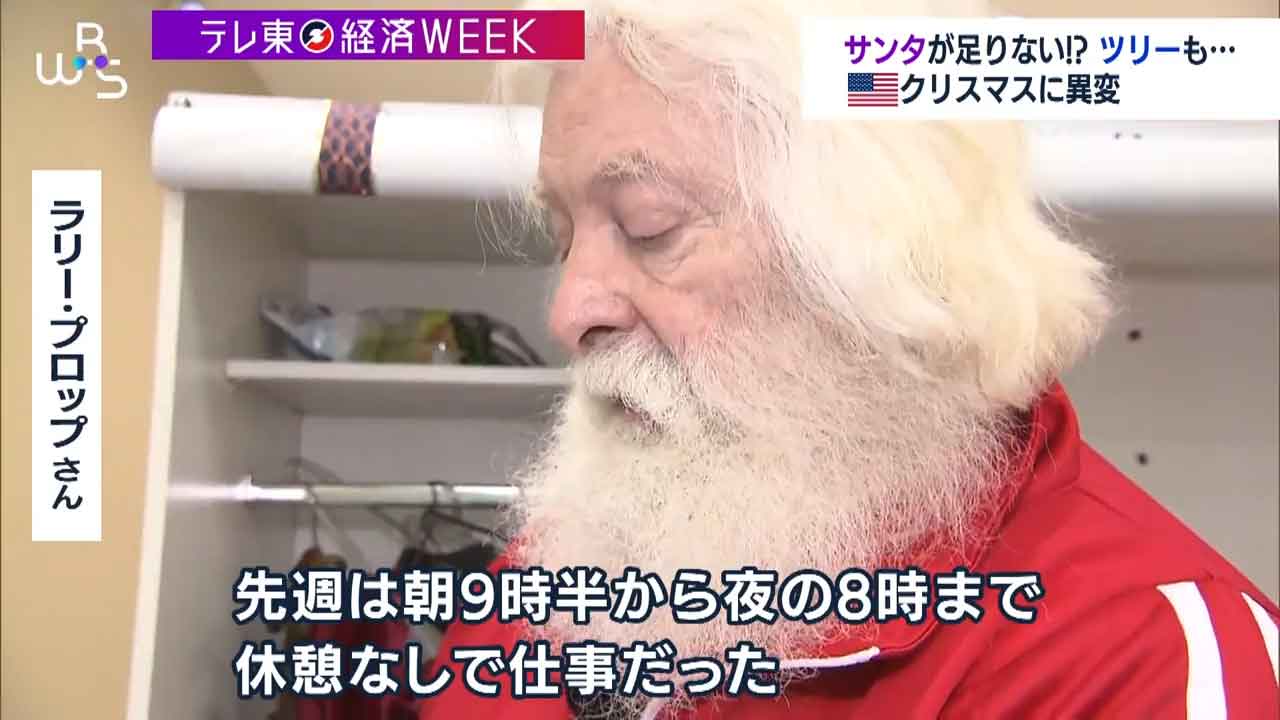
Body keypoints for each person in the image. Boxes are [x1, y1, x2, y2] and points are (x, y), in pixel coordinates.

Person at [420, 1, 1280, 717]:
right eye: (562, 235)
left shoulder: (1143, 661)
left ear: (881, 254)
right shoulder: (545, 588)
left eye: (650, 226)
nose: (569, 311)